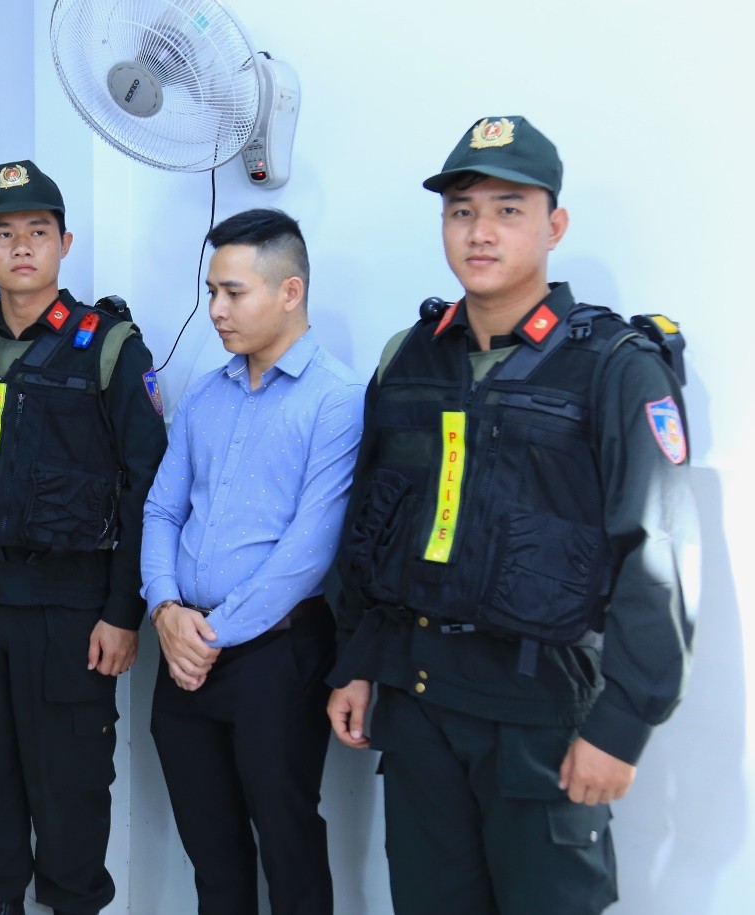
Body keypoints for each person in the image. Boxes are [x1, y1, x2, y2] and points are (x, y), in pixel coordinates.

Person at [325, 116, 697, 914]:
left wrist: (621, 724)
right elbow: (368, 520)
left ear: (553, 225)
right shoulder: (409, 355)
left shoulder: (614, 366)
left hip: (540, 714)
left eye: (506, 208)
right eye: (460, 211)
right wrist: (355, 658)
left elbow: (658, 551)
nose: (479, 231)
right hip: (416, 699)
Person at [0, 159, 167, 915]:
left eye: (37, 232)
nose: (21, 247)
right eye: (3, 234)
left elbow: (146, 486)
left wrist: (123, 612)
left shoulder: (109, 346)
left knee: (70, 791)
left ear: (64, 243)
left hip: (69, 614)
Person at [141, 208, 362, 914]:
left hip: (277, 655)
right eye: (211, 291)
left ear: (290, 291)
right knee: (212, 850)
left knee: (288, 843)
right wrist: (165, 610)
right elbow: (161, 511)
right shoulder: (206, 394)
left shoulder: (337, 400)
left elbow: (307, 553)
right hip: (184, 647)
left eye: (233, 292)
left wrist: (205, 635)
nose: (215, 310)